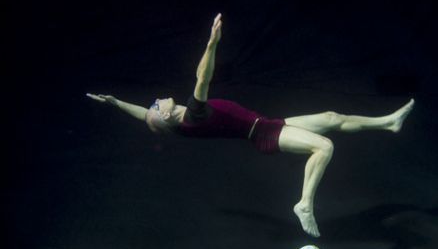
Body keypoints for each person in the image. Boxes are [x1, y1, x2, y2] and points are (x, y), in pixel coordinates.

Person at [87, 13, 415, 237]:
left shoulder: (180, 122)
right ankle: (304, 204)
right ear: (165, 117)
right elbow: (203, 77)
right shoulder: (193, 115)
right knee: (324, 146)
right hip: (263, 134)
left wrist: (117, 103)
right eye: (156, 108)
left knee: (331, 118)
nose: (156, 102)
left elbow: (146, 115)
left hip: (266, 124)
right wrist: (213, 43)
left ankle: (388, 123)